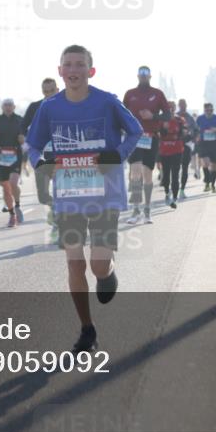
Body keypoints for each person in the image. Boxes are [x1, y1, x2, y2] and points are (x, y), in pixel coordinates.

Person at [27, 46, 142, 353]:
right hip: (68, 195)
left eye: (80, 64)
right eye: (68, 65)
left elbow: (135, 131)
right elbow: (33, 145)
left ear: (91, 71)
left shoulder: (107, 101)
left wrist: (116, 155)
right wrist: (41, 164)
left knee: (98, 265)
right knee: (75, 264)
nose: (74, 69)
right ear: (60, 71)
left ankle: (108, 273)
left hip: (105, 194)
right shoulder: (49, 108)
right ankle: (87, 329)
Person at [123, 66, 171, 225]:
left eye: (146, 74)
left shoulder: (157, 94)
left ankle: (147, 210)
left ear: (150, 76)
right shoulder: (130, 94)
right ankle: (136, 210)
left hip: (151, 138)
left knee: (147, 175)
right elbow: (121, 114)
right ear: (137, 76)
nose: (143, 77)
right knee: (135, 173)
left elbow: (168, 115)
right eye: (141, 74)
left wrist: (153, 116)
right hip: (135, 138)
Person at [22, 77, 60, 241]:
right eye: (45, 92)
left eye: (52, 91)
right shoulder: (35, 107)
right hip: (42, 158)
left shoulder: (65, 105)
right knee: (43, 196)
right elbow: (22, 127)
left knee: (61, 193)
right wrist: (24, 137)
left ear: (57, 89)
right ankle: (53, 209)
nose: (49, 94)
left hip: (61, 158)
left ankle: (58, 224)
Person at [0, 98, 24, 227]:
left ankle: (17, 205)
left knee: (13, 183)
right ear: (2, 107)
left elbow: (25, 137)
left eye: (10, 105)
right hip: (1, 156)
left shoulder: (19, 119)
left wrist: (23, 138)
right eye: (5, 105)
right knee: (6, 187)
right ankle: (12, 215)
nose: (8, 107)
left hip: (16, 154)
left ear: (14, 106)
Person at [158, 110, 186, 209]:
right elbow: (159, 134)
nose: (170, 111)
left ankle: (174, 197)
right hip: (164, 151)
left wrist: (183, 132)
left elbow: (184, 134)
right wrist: (163, 128)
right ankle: (167, 192)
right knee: (165, 174)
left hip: (177, 150)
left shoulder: (180, 120)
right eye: (168, 109)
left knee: (175, 174)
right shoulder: (160, 120)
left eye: (172, 109)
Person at [196, 103, 216, 193]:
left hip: (213, 144)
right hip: (203, 143)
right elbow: (195, 129)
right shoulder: (200, 119)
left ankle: (212, 185)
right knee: (205, 163)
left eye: (211, 110)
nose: (209, 112)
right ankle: (207, 183)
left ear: (213, 110)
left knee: (213, 167)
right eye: (207, 110)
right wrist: (196, 136)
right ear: (204, 110)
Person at [175, 99, 198, 201]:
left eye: (184, 104)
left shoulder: (190, 118)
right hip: (175, 146)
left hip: (186, 146)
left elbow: (196, 130)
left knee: (185, 168)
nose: (182, 106)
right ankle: (174, 188)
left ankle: (182, 190)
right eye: (181, 105)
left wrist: (194, 138)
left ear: (186, 105)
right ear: (179, 105)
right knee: (175, 169)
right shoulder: (175, 117)